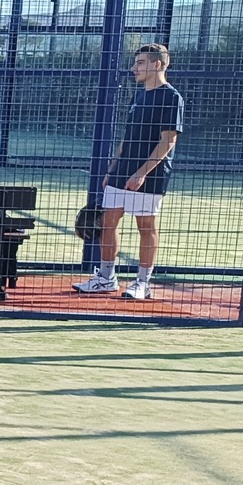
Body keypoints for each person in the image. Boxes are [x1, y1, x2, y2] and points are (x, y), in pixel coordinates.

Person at [74, 43, 183, 301]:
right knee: (108, 220)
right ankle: (106, 278)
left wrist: (142, 173)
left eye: (140, 63)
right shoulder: (138, 96)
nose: (134, 68)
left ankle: (143, 283)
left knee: (146, 226)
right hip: (123, 170)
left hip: (151, 174)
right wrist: (112, 168)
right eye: (135, 62)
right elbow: (127, 136)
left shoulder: (171, 97)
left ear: (157, 64)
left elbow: (168, 141)